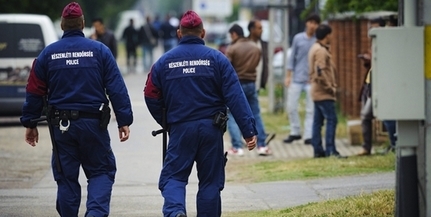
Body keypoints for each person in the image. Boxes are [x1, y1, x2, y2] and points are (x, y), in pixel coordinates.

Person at [20, 2, 133, 216]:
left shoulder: (48, 54)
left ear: (62, 25)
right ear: (82, 24)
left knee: (66, 178)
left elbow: (34, 90)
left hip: (61, 128)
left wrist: (30, 122)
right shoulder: (100, 51)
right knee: (101, 172)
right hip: (93, 126)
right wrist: (124, 120)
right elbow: (116, 87)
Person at [144, 11, 257, 217]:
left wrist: (167, 121)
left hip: (180, 129)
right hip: (211, 130)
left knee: (174, 178)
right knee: (210, 182)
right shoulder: (218, 60)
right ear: (203, 33)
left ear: (179, 33)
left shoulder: (163, 62)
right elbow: (235, 95)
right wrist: (248, 130)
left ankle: (176, 211)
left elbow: (150, 95)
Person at [225, 24, 272, 156]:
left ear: (234, 34)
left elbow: (227, 68)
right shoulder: (255, 47)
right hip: (251, 83)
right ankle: (262, 145)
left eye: (231, 35)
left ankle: (237, 146)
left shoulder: (232, 48)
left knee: (232, 115)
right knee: (256, 114)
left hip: (237, 85)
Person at [283, 14, 321, 145]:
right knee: (291, 106)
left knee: (311, 109)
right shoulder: (298, 38)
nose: (312, 25)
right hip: (297, 78)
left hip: (311, 80)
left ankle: (308, 135)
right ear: (306, 23)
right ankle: (295, 131)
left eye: (315, 23)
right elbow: (292, 58)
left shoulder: (318, 40)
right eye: (311, 22)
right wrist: (288, 76)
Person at [308, 24, 345, 158]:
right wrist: (330, 87)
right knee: (332, 120)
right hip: (324, 92)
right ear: (327, 35)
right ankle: (331, 150)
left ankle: (318, 150)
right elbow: (320, 71)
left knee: (318, 122)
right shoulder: (321, 51)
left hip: (317, 91)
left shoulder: (315, 47)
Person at [356, 17, 387, 156]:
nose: (371, 31)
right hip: (370, 84)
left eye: (374, 27)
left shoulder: (386, 43)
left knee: (380, 116)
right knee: (367, 116)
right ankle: (367, 147)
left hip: (381, 85)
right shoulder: (374, 43)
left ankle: (390, 144)